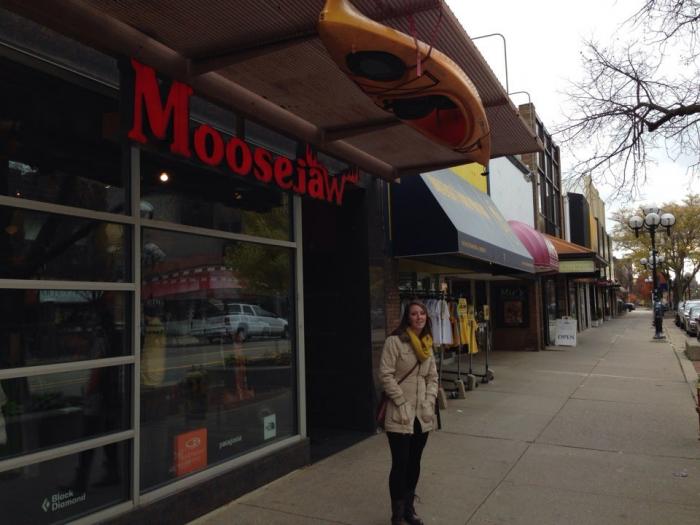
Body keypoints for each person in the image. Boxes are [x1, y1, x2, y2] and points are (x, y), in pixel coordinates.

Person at [379, 301, 439, 525]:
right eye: (414, 314)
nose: (419, 317)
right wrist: (401, 401)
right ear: (407, 317)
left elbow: (432, 377)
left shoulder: (427, 343)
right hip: (400, 413)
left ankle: (408, 509)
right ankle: (397, 514)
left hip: (422, 415)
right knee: (400, 464)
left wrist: (430, 400)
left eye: (422, 313)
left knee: (414, 463)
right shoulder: (394, 341)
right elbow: (385, 375)